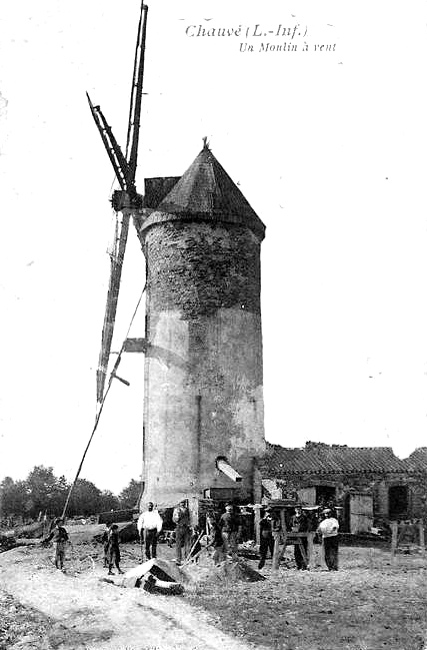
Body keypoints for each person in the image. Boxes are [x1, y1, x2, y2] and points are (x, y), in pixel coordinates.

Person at [172, 500, 191, 565]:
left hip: (186, 528)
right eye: (181, 503)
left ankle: (187, 558)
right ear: (179, 503)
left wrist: (189, 525)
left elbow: (189, 518)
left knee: (187, 543)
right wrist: (176, 517)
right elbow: (174, 519)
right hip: (179, 527)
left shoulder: (187, 510)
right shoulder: (176, 510)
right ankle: (178, 559)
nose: (182, 504)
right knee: (178, 544)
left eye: (183, 503)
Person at [291, 506, 309, 570]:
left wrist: (301, 529)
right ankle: (298, 565)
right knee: (296, 552)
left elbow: (306, 526)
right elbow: (291, 525)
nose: (298, 510)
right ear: (295, 510)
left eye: (299, 509)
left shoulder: (304, 517)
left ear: (301, 510)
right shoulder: (293, 517)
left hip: (302, 536)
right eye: (296, 509)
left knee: (303, 550)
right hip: (295, 536)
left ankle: (304, 565)